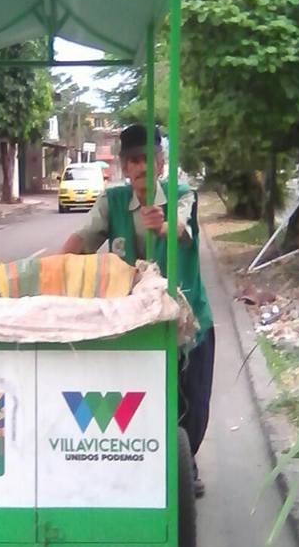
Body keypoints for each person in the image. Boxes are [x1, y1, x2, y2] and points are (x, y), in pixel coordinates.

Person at [61, 123, 215, 496]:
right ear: (125, 167)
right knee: (137, 394)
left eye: (148, 159)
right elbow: (83, 239)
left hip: (186, 321)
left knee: (191, 402)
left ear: (161, 163)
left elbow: (180, 228)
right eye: (133, 161)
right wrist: (52, 266)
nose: (142, 167)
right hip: (133, 322)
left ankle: (185, 463)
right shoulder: (112, 202)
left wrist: (162, 226)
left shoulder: (182, 195)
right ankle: (140, 462)